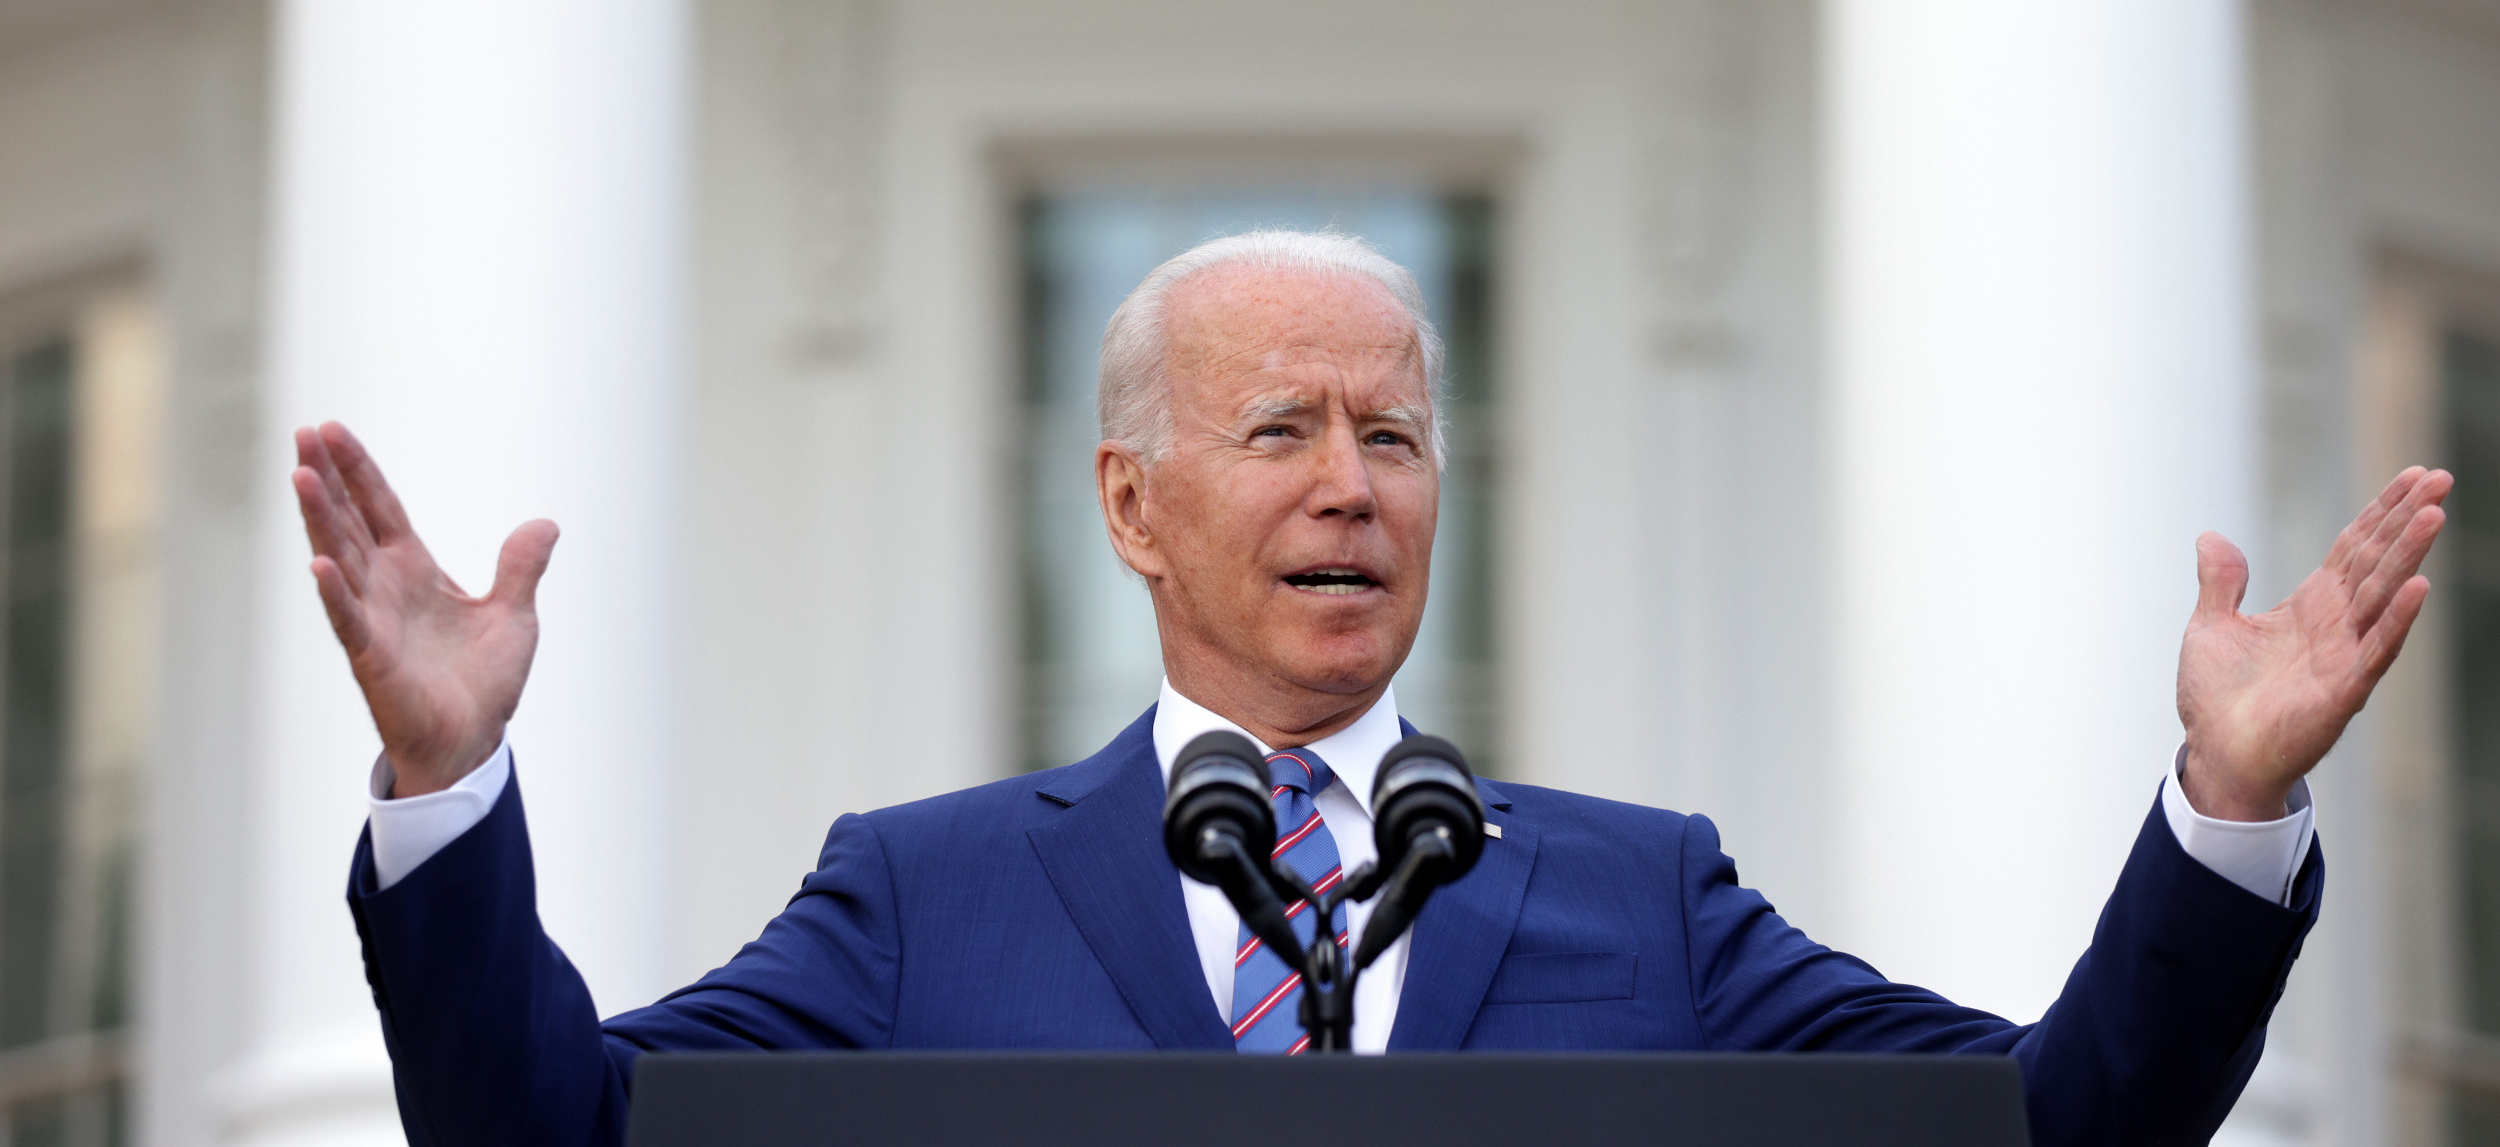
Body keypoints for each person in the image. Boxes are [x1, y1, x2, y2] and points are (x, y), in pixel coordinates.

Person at [297, 230, 2449, 1147]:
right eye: (1283, 432)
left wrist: (2223, 808)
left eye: (1396, 437)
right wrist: (442, 792)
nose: (1353, 486)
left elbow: (2052, 1130)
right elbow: (548, 1137)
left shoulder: (1649, 900)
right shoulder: (913, 898)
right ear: (1130, 508)